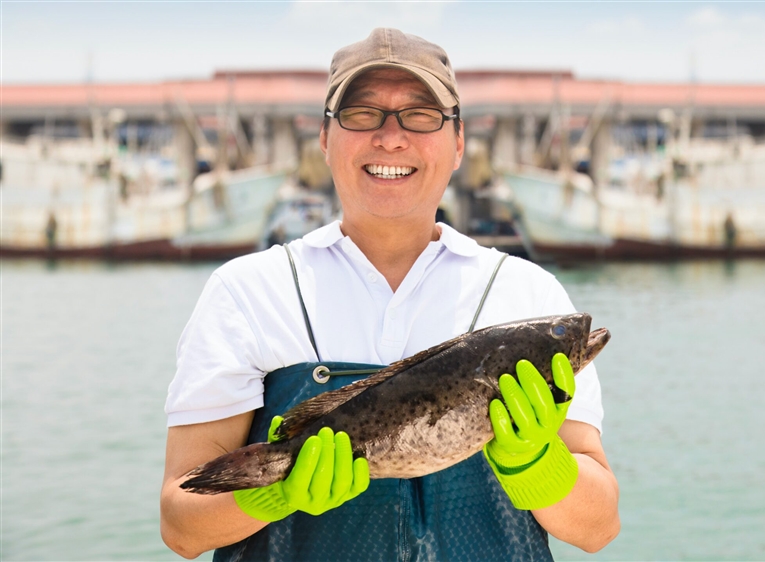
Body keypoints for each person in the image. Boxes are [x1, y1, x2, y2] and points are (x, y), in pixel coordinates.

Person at [160, 28, 619, 561]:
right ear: (326, 140)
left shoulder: (528, 291)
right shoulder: (247, 291)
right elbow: (180, 525)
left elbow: (597, 528)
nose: (391, 137)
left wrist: (540, 465)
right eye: (362, 114)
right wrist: (275, 492)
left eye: (421, 115)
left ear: (459, 143)